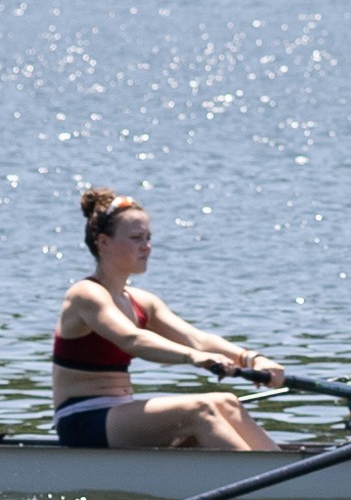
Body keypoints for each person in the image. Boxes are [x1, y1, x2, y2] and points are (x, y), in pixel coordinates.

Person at [51, 188, 285, 451]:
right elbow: (132, 339)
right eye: (136, 238)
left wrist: (250, 358)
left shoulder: (141, 301)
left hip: (119, 415)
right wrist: (192, 357)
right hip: (82, 421)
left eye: (148, 238)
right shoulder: (86, 294)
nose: (146, 247)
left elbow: (196, 338)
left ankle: (282, 472)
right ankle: (266, 483)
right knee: (201, 409)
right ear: (103, 243)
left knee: (226, 401)